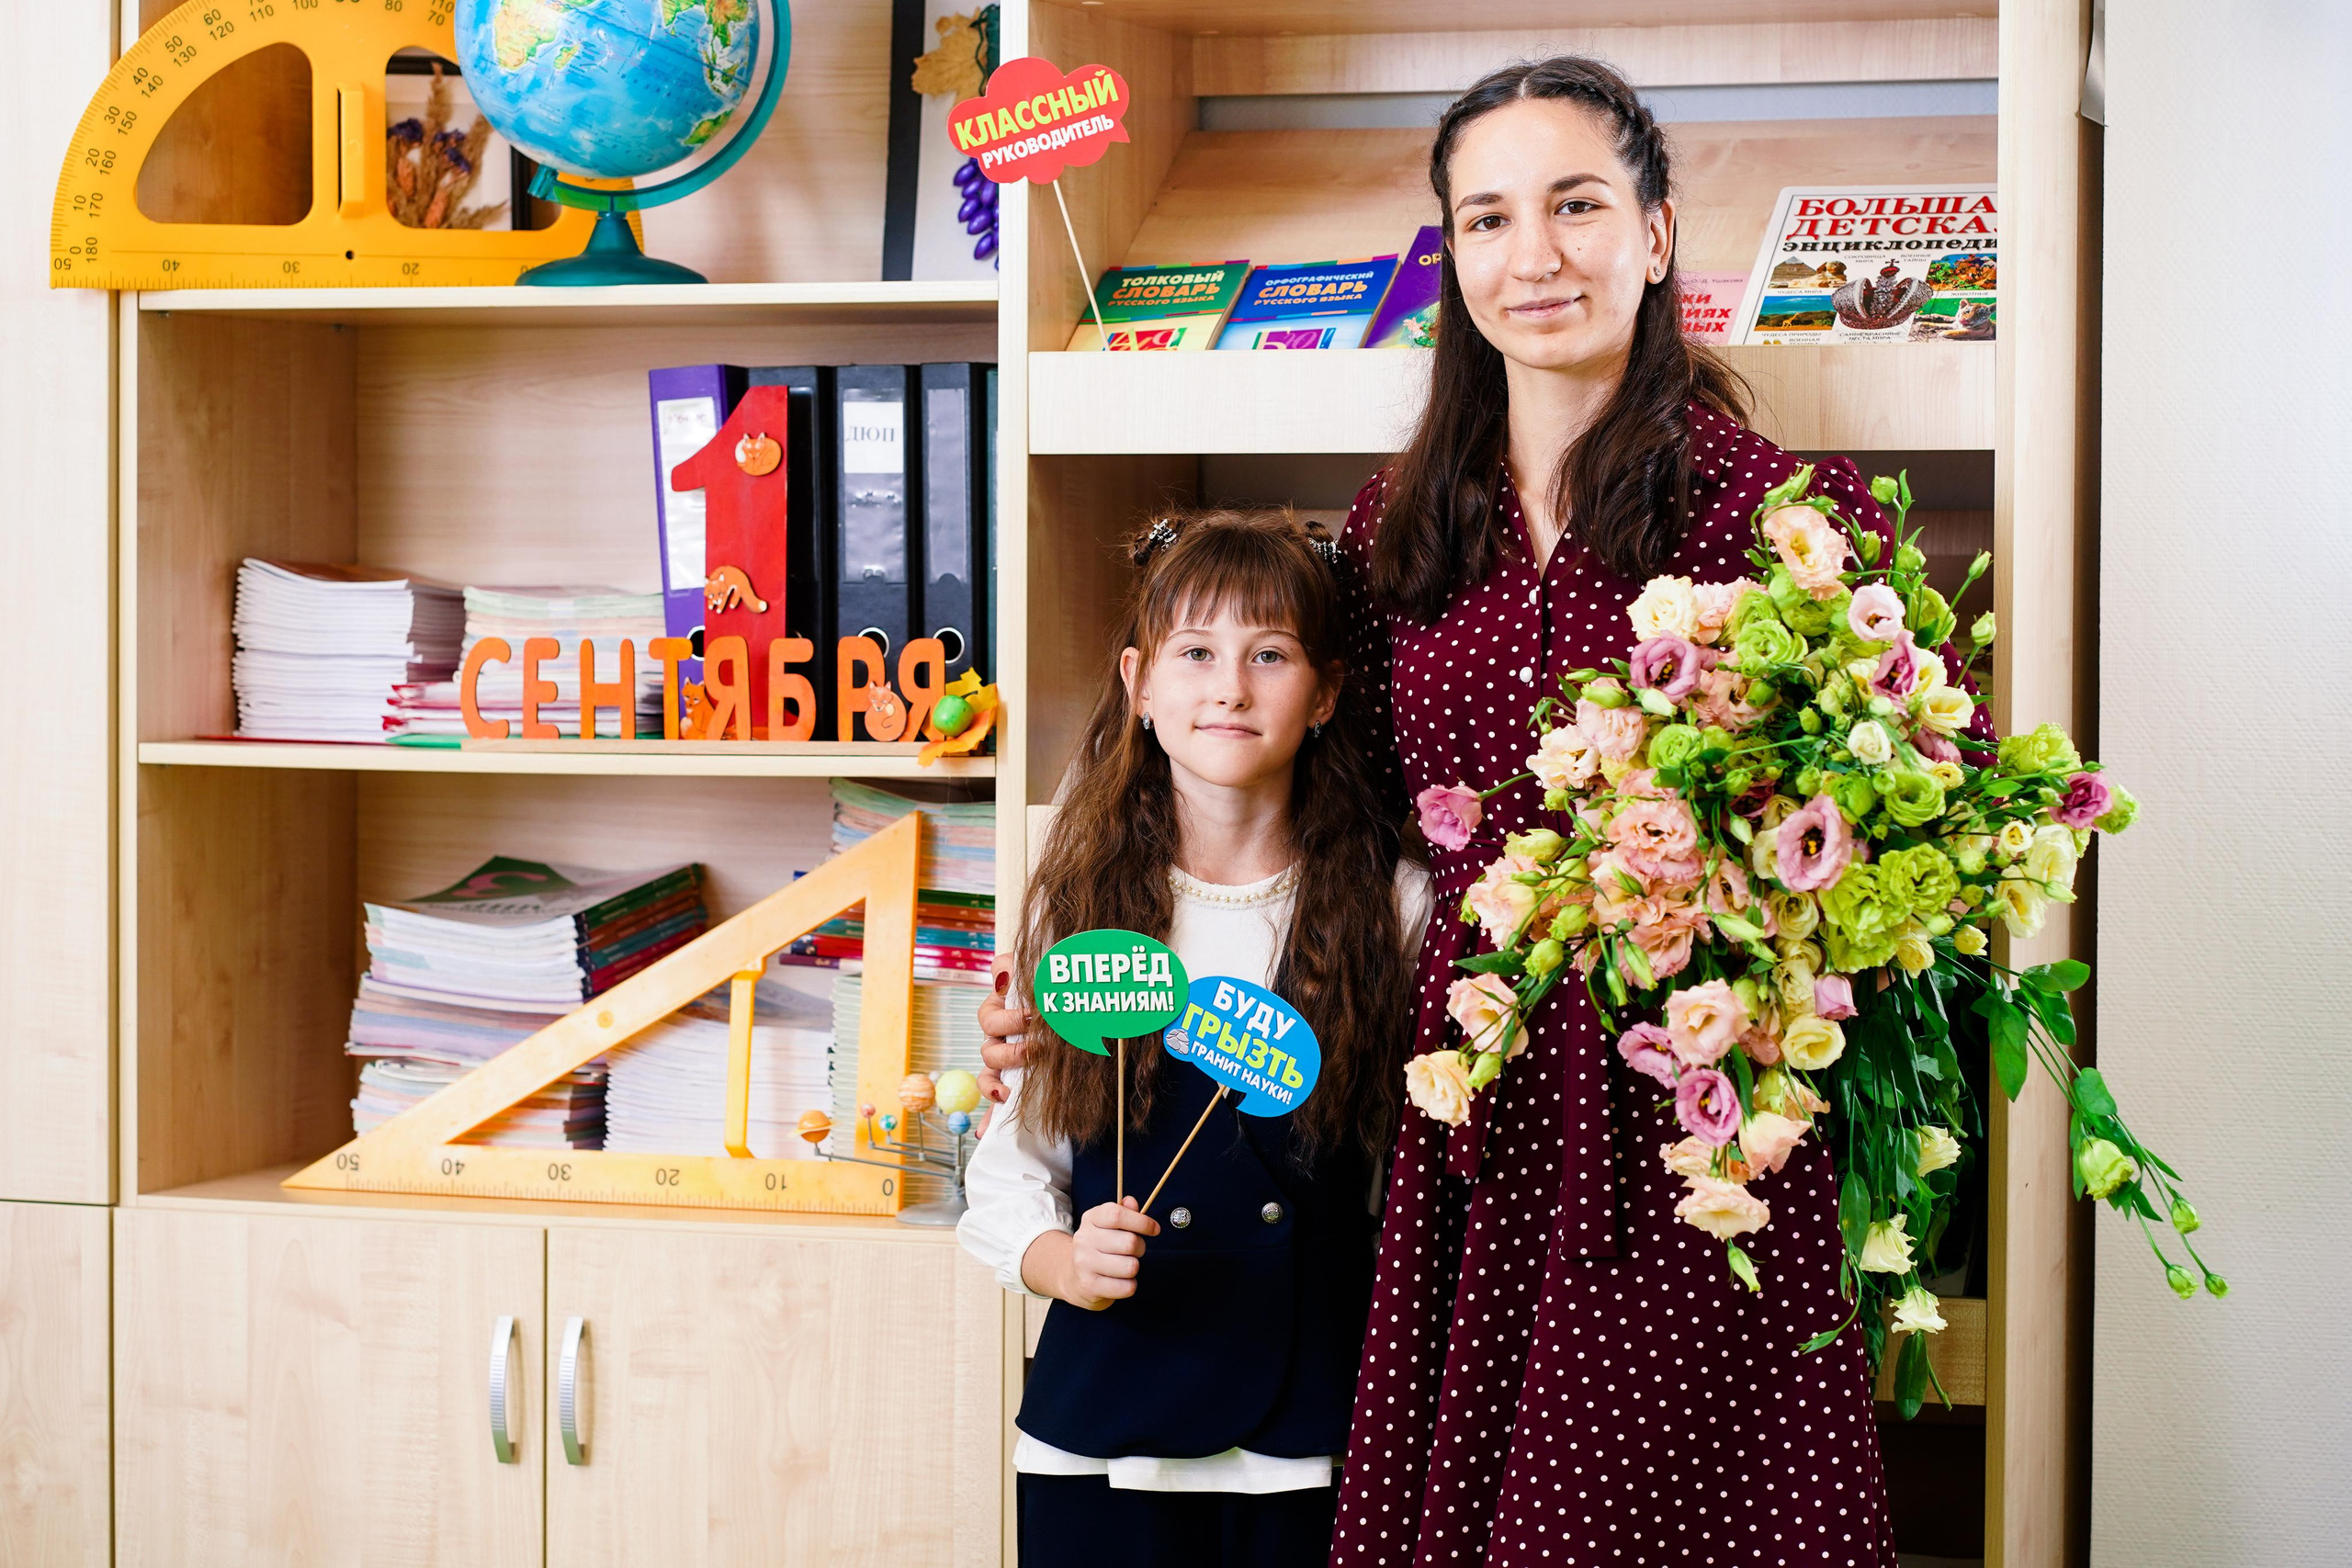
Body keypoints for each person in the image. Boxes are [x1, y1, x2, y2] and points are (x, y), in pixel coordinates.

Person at [986, 55, 1924, 1567]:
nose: (1532, 254)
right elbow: (1303, 819)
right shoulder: (1393, 530)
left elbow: (1898, 823)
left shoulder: (1782, 512)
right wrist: (1092, 984)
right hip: (1457, 1118)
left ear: (1657, 235)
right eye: (1486, 219)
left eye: (1575, 206)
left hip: (1688, 1126)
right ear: (1451, 256)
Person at [958, 510, 1432, 1568]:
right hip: (1104, 1419)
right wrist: (1057, 1262)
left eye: (1270, 655)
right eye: (1196, 653)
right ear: (1139, 683)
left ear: (1327, 694)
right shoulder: (1073, 905)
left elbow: (1405, 1177)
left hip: (1308, 1421)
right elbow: (1010, 1165)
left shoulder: (1394, 906)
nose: (1229, 687)